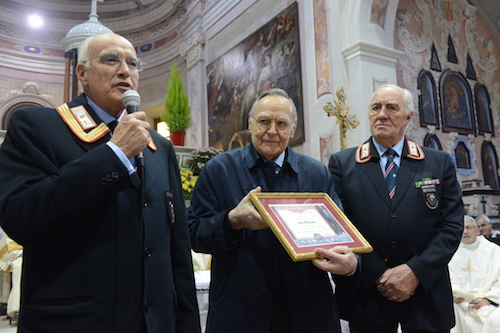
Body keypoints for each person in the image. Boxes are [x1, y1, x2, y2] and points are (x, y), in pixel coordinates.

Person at [0, 33, 200, 333]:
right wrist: (114, 155)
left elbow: (177, 253)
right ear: (82, 73)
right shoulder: (38, 126)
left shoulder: (160, 145)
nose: (124, 70)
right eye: (111, 59)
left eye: (133, 63)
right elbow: (21, 218)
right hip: (76, 322)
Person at [188, 88, 359, 333]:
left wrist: (352, 264)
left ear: (293, 128)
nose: (271, 131)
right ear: (250, 124)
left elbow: (341, 234)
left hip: (307, 313)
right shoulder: (218, 170)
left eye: (281, 123)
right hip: (241, 313)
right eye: (264, 121)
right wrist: (232, 221)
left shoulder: (316, 173)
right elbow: (193, 233)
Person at [328, 84, 464, 332]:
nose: (382, 114)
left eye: (392, 108)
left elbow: (451, 227)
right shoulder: (342, 164)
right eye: (375, 107)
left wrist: (414, 272)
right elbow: (340, 225)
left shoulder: (438, 162)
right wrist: (379, 274)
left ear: (409, 117)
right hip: (369, 293)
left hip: (426, 291)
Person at [449, 215, 500, 333]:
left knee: (494, 320)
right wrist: (454, 292)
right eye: (462, 228)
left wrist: (488, 299)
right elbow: (448, 276)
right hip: (458, 302)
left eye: (469, 228)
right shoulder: (451, 251)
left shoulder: (494, 251)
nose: (465, 232)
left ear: (477, 230)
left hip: (484, 301)